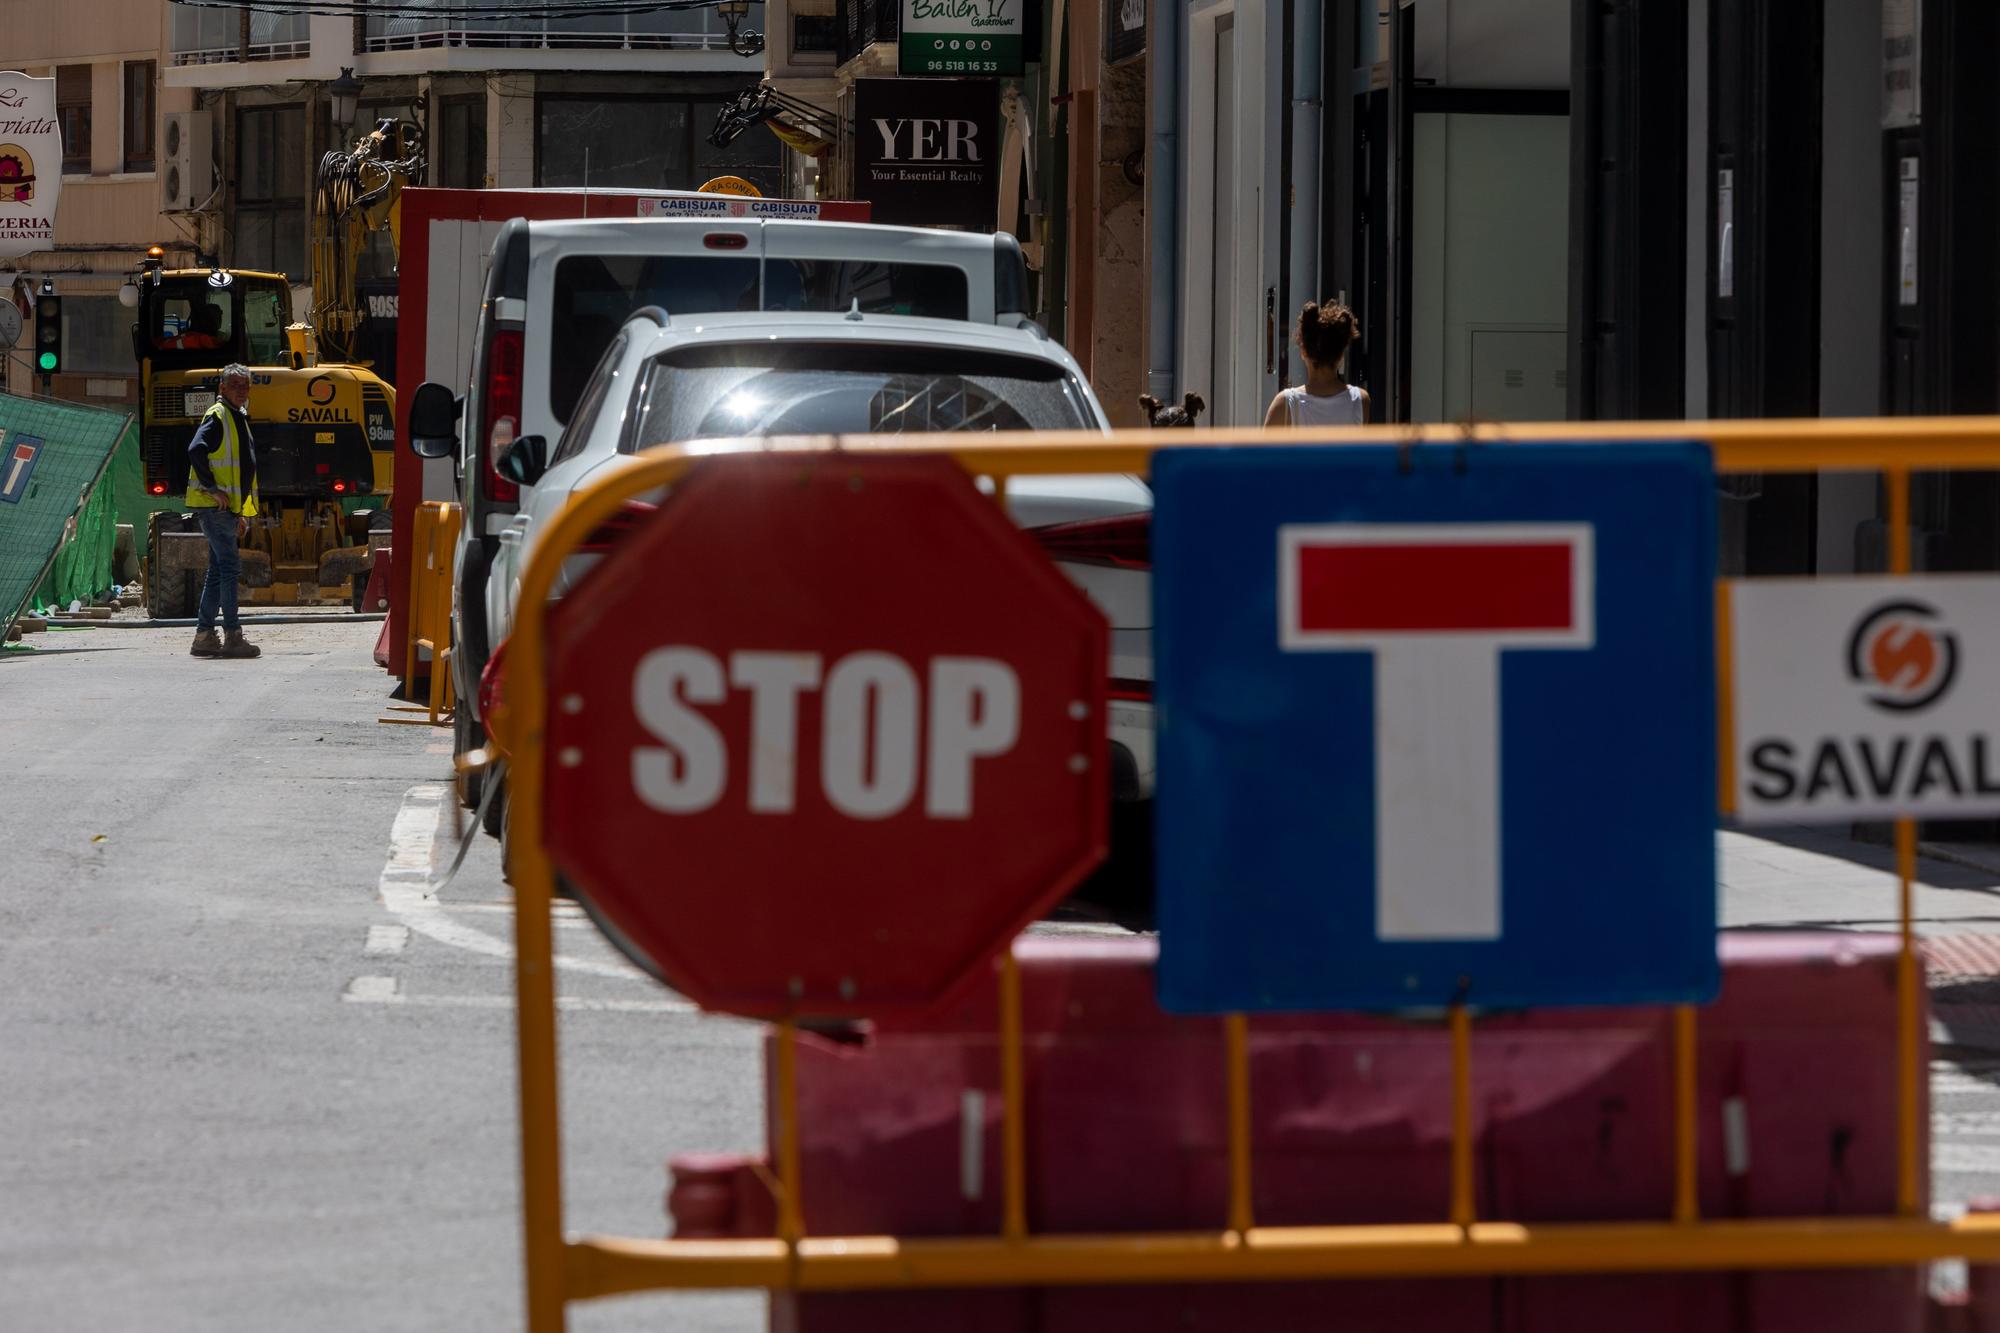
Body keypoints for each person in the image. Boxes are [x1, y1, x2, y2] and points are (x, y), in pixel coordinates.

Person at [186, 364, 261, 660]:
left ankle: (204, 637)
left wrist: (238, 511)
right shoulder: (218, 416)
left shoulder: (235, 417)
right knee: (229, 568)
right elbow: (195, 449)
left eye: (245, 385)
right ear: (222, 388)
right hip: (214, 508)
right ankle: (232, 636)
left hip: (224, 509)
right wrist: (212, 488)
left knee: (218, 571)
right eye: (235, 385)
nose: (242, 390)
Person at [1264, 301, 1370, 427]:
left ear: (1303, 351)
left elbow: (1264, 447)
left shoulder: (1285, 405)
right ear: (1341, 354)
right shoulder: (1360, 401)